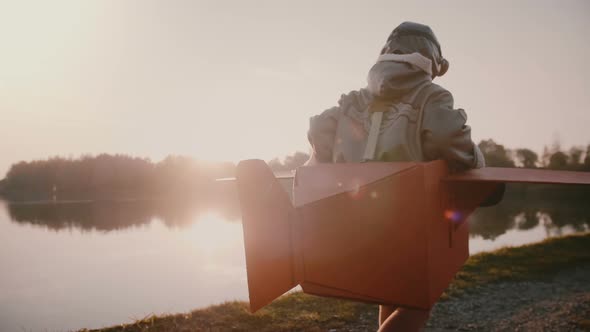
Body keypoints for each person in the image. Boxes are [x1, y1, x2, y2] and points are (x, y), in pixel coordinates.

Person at [306, 22, 484, 331]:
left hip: (355, 216)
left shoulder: (354, 100)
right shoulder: (430, 96)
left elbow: (318, 130)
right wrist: (476, 159)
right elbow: (446, 138)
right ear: (434, 62)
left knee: (391, 289)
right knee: (419, 299)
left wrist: (335, 159)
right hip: (409, 219)